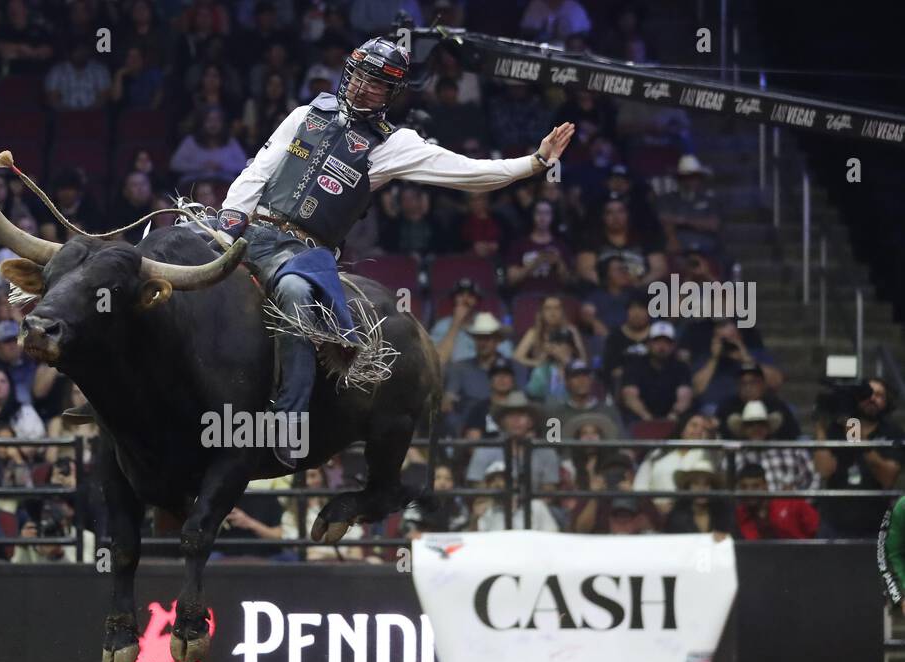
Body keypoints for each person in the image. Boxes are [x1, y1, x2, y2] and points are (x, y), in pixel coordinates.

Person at [200, 37, 574, 466]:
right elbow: (259, 167)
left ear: (392, 94)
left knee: (297, 297)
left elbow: (467, 173)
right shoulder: (306, 113)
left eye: (376, 84)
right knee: (177, 254)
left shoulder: (394, 144)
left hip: (303, 252)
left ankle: (289, 419)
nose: (363, 87)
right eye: (359, 76)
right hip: (252, 227)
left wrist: (534, 162)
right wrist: (230, 215)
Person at [814, 378, 905, 537]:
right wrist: (820, 426)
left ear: (886, 401)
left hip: (876, 521)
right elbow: (824, 471)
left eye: (879, 395)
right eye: (867, 394)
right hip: (835, 520)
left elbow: (887, 479)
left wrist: (859, 438)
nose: (872, 399)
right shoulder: (835, 429)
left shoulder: (892, 432)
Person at [730, 400, 816, 491]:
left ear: (768, 427)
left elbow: (813, 479)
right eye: (750, 424)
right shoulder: (734, 457)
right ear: (743, 430)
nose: (756, 428)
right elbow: (729, 490)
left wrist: (798, 500)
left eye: (761, 423)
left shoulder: (793, 452)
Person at [619, 320, 693, 423]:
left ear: (673, 346)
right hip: (640, 419)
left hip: (673, 420)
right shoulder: (635, 366)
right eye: (657, 341)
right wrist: (646, 416)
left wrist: (674, 414)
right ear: (649, 343)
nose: (661, 347)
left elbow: (684, 396)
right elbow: (630, 396)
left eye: (666, 342)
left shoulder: (681, 368)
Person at [736, 463, 818, 542]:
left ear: (766, 486)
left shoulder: (791, 503)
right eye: (744, 487)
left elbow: (820, 531)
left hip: (802, 553)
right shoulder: (738, 515)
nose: (750, 491)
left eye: (755, 486)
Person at [664, 465, 732, 535]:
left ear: (713, 487)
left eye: (706, 484)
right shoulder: (676, 516)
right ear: (688, 487)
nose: (701, 489)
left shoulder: (723, 512)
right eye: (696, 483)